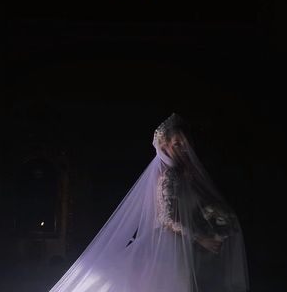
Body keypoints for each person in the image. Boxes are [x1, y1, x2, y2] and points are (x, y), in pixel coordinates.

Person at [48, 112, 249, 292]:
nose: (184, 149)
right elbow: (165, 218)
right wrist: (199, 237)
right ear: (164, 146)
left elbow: (192, 208)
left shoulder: (183, 174)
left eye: (185, 144)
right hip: (167, 246)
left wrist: (212, 219)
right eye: (177, 144)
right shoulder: (168, 176)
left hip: (181, 245)